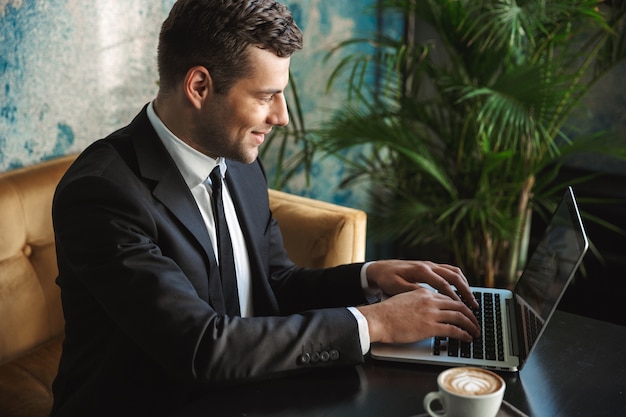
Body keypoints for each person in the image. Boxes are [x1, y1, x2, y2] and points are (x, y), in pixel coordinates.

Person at [50, 1, 480, 416]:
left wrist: (369, 278)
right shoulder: (101, 194)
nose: (282, 116)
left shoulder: (235, 161)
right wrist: (375, 324)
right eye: (266, 96)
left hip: (248, 391)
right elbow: (201, 346)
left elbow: (274, 283)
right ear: (199, 87)